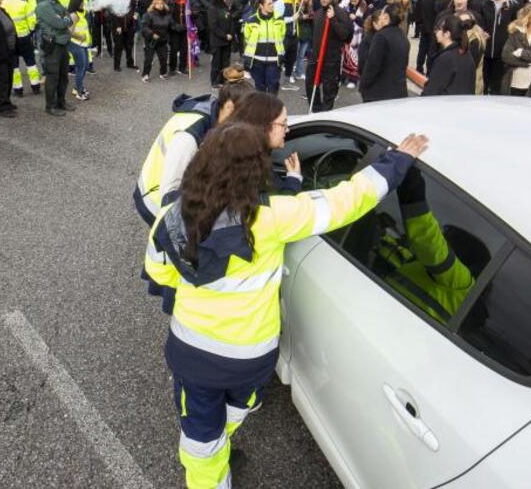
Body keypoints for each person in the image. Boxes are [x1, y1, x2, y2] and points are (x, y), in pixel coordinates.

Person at [143, 123, 428, 489]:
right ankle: (221, 444)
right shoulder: (272, 218)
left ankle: (211, 475)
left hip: (193, 353)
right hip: (251, 357)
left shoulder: (173, 216)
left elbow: (158, 271)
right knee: (234, 411)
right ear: (256, 170)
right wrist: (397, 161)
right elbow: (347, 199)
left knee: (200, 437)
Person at [133, 66, 253, 225]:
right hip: (156, 203)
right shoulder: (189, 136)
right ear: (230, 107)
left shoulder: (215, 111)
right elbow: (169, 192)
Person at [227, 92, 304, 192]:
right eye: (283, 124)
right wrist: (294, 179)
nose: (287, 129)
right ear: (263, 126)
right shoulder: (248, 173)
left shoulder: (243, 155)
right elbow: (277, 205)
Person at [304, 0, 353, 111]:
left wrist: (332, 20)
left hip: (331, 59)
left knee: (329, 90)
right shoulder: (319, 13)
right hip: (315, 57)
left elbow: (345, 35)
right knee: (310, 84)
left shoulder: (340, 13)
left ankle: (325, 114)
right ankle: (315, 110)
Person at [36, 0, 74, 116]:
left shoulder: (54, 1)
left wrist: (65, 19)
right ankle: (50, 106)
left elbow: (68, 17)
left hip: (62, 43)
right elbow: (59, 23)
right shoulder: (44, 5)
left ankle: (61, 102)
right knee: (53, 77)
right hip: (53, 45)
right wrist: (65, 19)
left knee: (63, 75)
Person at [358, 3, 410, 103]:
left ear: (386, 17)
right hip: (399, 92)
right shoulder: (403, 37)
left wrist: (363, 85)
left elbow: (372, 65)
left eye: (381, 13)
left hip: (379, 94)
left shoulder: (381, 36)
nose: (380, 16)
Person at [2, 0, 43, 96]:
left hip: (9, 40)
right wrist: (30, 30)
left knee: (14, 65)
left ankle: (18, 89)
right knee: (31, 62)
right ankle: (35, 86)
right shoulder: (22, 3)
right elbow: (32, 19)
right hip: (24, 37)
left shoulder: (0, 5)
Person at [242, 0, 286, 95]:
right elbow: (247, 38)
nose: (272, 5)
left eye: (272, 3)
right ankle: (262, 109)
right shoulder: (251, 20)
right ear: (261, 6)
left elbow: (282, 35)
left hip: (274, 61)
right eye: (269, 4)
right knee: (259, 88)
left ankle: (272, 109)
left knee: (273, 87)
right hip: (257, 61)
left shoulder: (279, 19)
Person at [422, 15, 476, 96]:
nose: (436, 32)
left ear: (447, 34)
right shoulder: (467, 55)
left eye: (439, 29)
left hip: (446, 106)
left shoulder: (445, 59)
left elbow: (432, 90)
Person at [479, 0, 517, 95]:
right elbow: (481, 23)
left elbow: (515, 27)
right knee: (484, 83)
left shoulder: (512, 6)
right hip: (486, 51)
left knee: (498, 85)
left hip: (502, 52)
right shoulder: (485, 4)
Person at [140, 0, 174, 82]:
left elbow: (172, 26)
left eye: (161, 3)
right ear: (153, 4)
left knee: (163, 58)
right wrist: (151, 34)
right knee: (149, 58)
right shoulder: (148, 14)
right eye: (157, 4)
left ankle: (163, 73)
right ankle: (145, 74)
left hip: (162, 40)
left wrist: (184, 28)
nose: (160, 5)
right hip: (151, 40)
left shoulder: (167, 15)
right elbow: (144, 27)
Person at [206, 0, 236, 87]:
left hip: (227, 40)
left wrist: (231, 33)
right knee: (216, 62)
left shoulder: (226, 7)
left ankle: (224, 80)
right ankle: (215, 82)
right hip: (217, 41)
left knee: (225, 62)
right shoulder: (212, 8)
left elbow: (231, 21)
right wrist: (224, 35)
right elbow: (213, 26)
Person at [68, 0, 92, 101]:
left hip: (83, 44)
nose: (84, 3)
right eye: (82, 1)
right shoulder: (73, 15)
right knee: (81, 67)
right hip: (76, 44)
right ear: (78, 2)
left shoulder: (80, 12)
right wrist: (79, 36)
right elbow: (69, 32)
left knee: (85, 66)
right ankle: (78, 91)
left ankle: (78, 87)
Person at [414, 0, 442, 72]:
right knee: (431, 50)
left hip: (424, 27)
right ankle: (429, 70)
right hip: (433, 28)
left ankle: (419, 67)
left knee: (422, 49)